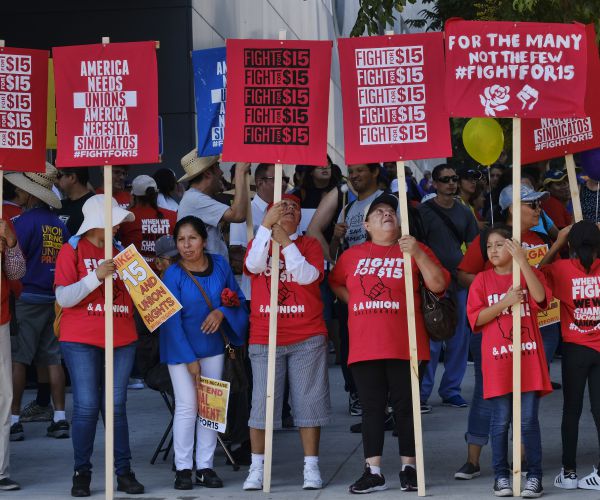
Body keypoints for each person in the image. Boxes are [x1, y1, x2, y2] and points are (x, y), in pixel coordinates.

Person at [329, 193, 449, 493]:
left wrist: (418, 253)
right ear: (367, 225)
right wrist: (354, 301)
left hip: (405, 343)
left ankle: (409, 468)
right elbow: (335, 282)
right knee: (371, 410)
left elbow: (439, 284)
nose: (387, 214)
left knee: (405, 408)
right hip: (365, 344)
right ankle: (374, 471)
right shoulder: (352, 256)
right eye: (379, 212)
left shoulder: (415, 250)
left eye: (391, 211)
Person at [455, 184, 556, 481]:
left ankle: (521, 462)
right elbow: (463, 274)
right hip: (495, 331)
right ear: (513, 208)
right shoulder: (491, 238)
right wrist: (495, 292)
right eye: (532, 204)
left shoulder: (540, 238)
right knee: (491, 397)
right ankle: (474, 460)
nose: (538, 210)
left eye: (539, 204)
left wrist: (557, 244)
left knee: (527, 399)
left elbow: (542, 282)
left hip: (537, 327)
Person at [54, 194, 144, 497]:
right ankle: (82, 472)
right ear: (98, 222)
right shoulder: (72, 249)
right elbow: (64, 298)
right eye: (115, 221)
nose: (119, 226)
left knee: (116, 407)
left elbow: (142, 297)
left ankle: (124, 472)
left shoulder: (122, 252)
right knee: (87, 406)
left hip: (122, 337)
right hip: (80, 338)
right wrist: (96, 276)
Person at [242, 194, 330, 491]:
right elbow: (254, 266)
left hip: (307, 335)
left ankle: (311, 467)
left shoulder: (309, 245)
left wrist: (288, 243)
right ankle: (256, 468)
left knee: (308, 404)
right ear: (269, 214)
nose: (288, 209)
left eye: (293, 206)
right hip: (266, 336)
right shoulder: (260, 244)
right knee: (262, 406)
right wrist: (266, 231)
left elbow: (307, 277)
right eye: (281, 206)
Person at [160, 215, 248, 490]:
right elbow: (170, 321)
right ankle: (184, 468)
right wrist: (189, 359)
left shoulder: (220, 264)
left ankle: (205, 466)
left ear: (204, 240)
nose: (186, 245)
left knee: (212, 409)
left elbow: (238, 301)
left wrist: (222, 312)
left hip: (213, 347)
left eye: (192, 238)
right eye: (181, 240)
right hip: (180, 350)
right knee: (187, 407)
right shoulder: (172, 274)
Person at [466, 226, 551, 498]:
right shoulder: (481, 280)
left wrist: (524, 263)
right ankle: (501, 476)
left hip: (527, 359)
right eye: (489, 246)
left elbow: (540, 298)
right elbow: (476, 318)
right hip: (498, 362)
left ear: (512, 247)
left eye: (500, 244)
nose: (493, 250)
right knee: (500, 422)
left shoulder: (526, 274)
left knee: (527, 422)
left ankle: (534, 476)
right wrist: (505, 302)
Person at [307, 163, 383, 416]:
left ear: (375, 172)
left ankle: (386, 397)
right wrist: (336, 242)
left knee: (382, 341)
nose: (355, 175)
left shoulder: (388, 201)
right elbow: (331, 248)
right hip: (352, 286)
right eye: (352, 171)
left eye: (362, 170)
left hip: (382, 285)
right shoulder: (347, 205)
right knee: (352, 342)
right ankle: (358, 394)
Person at [6, 164, 70, 442]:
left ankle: (14, 419)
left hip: (27, 297)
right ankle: (59, 418)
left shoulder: (20, 224)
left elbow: (12, 263)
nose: (17, 192)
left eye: (21, 189)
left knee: (19, 358)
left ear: (32, 194)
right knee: (52, 358)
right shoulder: (60, 225)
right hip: (54, 297)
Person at [540, 221, 600, 491]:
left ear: (571, 246)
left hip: (575, 348)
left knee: (571, 410)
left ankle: (569, 472)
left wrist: (557, 242)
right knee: (599, 411)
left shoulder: (561, 269)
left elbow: (537, 273)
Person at [418, 164, 479, 412]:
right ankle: (422, 392)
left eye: (455, 178)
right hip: (431, 283)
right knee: (431, 338)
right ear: (434, 183)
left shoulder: (464, 212)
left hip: (458, 281)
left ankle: (451, 390)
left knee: (459, 338)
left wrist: (470, 275)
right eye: (445, 180)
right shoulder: (423, 212)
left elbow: (475, 247)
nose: (451, 183)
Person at [177, 150, 250, 261]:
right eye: (218, 166)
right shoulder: (195, 199)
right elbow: (238, 215)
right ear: (208, 173)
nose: (221, 172)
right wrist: (239, 172)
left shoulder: (194, 198)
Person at [0, 217, 26, 491]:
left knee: (4, 394)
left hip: (0, 320)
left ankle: (0, 469)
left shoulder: (4, 223)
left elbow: (17, 272)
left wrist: (11, 241)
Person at [119, 175, 177, 271]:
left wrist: (129, 207)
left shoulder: (126, 218)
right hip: (167, 272)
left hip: (136, 274)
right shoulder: (173, 216)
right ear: (156, 194)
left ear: (133, 196)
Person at [56, 167, 94, 235]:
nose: (56, 181)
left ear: (72, 178)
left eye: (58, 176)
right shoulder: (59, 205)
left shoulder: (96, 205)